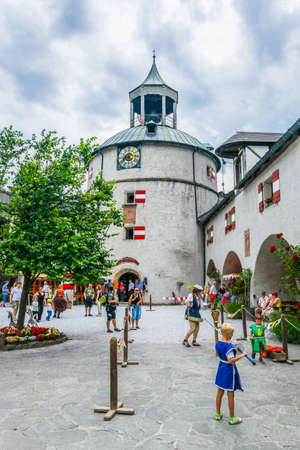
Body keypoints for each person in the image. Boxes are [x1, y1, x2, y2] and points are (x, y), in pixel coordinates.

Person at [215, 323, 247, 425]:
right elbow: (231, 360)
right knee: (230, 394)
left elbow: (223, 352)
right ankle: (232, 418)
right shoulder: (228, 346)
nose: (232, 335)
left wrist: (230, 344)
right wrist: (242, 355)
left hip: (221, 368)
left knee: (220, 392)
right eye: (231, 334)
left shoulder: (218, 343)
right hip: (228, 371)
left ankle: (217, 414)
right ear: (228, 334)